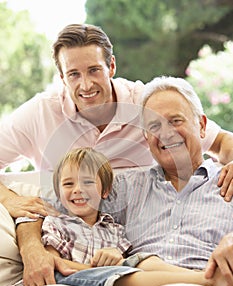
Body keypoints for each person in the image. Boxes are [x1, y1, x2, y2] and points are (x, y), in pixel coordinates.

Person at [20, 76, 233, 286]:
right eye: (154, 126)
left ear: (202, 126)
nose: (165, 133)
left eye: (176, 121)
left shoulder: (227, 180)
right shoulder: (125, 186)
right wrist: (32, 248)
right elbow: (41, 206)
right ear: (146, 137)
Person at [0, 23, 233, 223]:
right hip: (69, 235)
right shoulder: (40, 113)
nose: (86, 85)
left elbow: (221, 142)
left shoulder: (145, 102)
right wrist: (9, 199)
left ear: (111, 66)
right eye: (74, 74)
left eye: (94, 70)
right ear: (62, 78)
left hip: (144, 232)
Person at [8, 146, 229, 286]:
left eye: (87, 182)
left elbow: (124, 259)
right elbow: (57, 266)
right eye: (68, 184)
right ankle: (207, 282)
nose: (77, 190)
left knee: (143, 260)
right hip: (61, 284)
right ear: (58, 191)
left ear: (105, 192)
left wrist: (115, 256)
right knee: (132, 270)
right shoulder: (56, 223)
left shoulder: (112, 229)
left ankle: (197, 276)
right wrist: (109, 269)